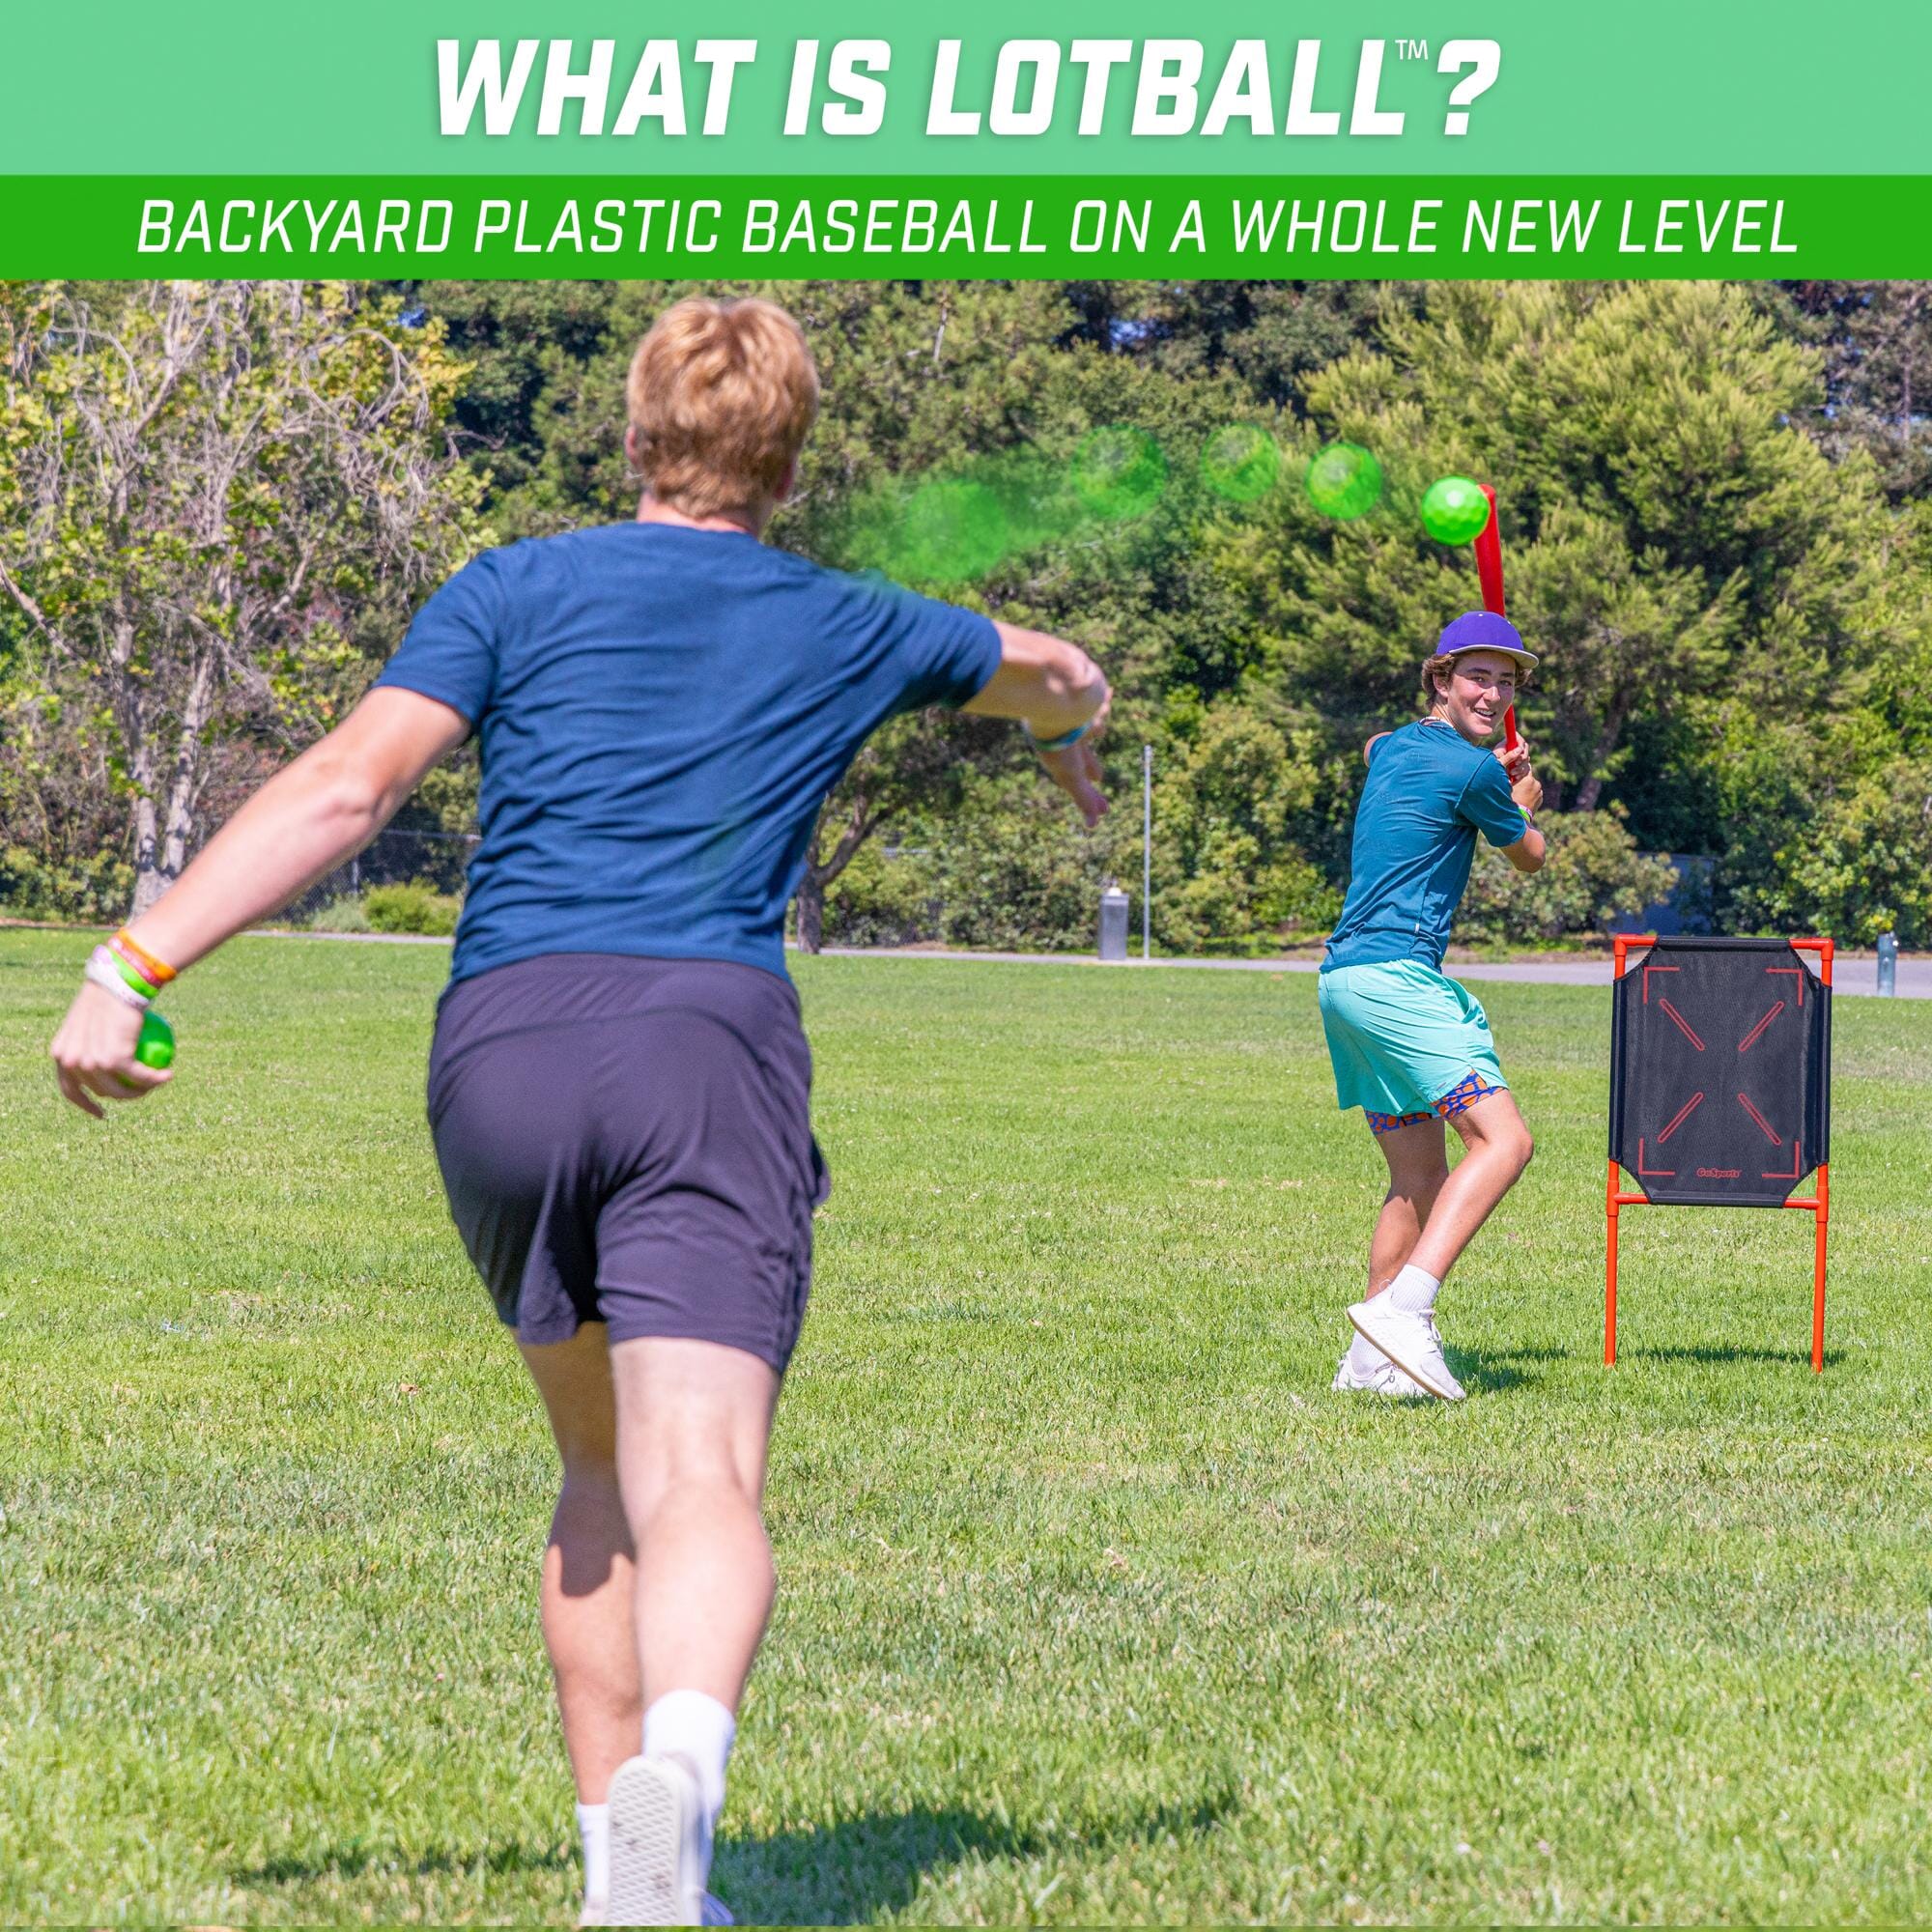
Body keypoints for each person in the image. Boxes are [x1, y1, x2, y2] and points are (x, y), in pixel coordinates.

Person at [49, 296, 1112, 1925]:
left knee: (602, 1466)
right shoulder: (854, 619)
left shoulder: (514, 586)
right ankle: (673, 1814)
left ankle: (630, 1875)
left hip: (505, 1055)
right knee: (701, 1475)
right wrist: (1066, 730)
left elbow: (351, 785)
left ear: (638, 434)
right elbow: (1053, 668)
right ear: (791, 457)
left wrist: (136, 963)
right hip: (701, 1045)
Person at [1318, 611, 1545, 1403]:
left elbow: (1396, 752)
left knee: (1418, 1178)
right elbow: (1528, 857)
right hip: (1396, 980)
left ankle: (1367, 1363)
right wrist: (1520, 795)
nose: (1494, 692)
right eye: (1477, 677)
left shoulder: (1389, 748)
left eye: (1506, 681)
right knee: (1506, 1142)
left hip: (1342, 983)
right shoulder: (1477, 773)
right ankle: (1408, 1311)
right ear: (1440, 679)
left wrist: (1486, 768)